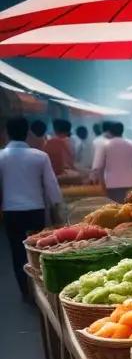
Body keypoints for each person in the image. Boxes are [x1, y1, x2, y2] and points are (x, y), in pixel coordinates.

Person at [0, 117, 63, 300]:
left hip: (11, 212)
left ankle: (25, 292)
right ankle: (42, 288)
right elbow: (51, 185)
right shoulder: (39, 156)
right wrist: (57, 207)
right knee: (39, 250)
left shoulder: (1, 157)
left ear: (7, 133)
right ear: (27, 133)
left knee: (17, 251)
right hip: (36, 210)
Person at [92, 122, 132, 203]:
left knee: (117, 210)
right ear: (122, 131)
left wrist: (100, 184)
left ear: (109, 132)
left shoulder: (104, 145)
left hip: (113, 185)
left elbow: (97, 167)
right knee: (131, 209)